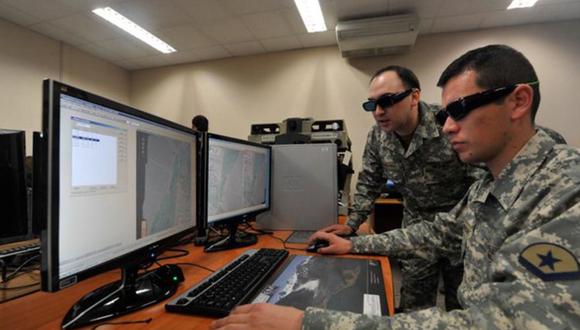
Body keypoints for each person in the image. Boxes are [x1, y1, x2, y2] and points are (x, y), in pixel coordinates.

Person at [211, 44, 580, 329]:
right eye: (372, 103)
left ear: (518, 101)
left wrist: (308, 322)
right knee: (414, 304)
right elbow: (436, 230)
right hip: (423, 226)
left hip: (459, 262)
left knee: (453, 301)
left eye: (462, 108)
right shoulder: (491, 184)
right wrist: (352, 239)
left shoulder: (564, 191)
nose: (449, 125)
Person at [317, 65, 483, 312]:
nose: (379, 112)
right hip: (414, 228)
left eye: (387, 101)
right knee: (414, 307)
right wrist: (352, 223)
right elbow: (370, 181)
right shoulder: (377, 137)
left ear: (414, 96)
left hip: (459, 227)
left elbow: (480, 180)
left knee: (462, 307)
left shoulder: (449, 125)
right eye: (372, 104)